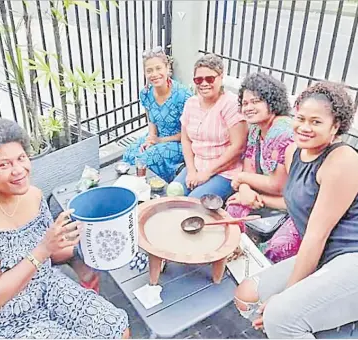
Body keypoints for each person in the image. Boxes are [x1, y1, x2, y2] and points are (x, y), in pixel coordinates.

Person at [0, 118, 130, 339]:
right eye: (4, 165)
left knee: (116, 327)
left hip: (44, 287)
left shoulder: (32, 195)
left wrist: (83, 240)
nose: (19, 170)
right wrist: (43, 250)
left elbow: (51, 254)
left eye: (21, 158)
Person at [234, 82, 358, 338]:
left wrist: (286, 295)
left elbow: (316, 235)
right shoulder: (294, 152)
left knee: (280, 315)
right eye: (300, 118)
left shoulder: (342, 161)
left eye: (316, 122)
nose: (304, 127)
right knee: (246, 295)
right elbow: (293, 203)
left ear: (336, 126)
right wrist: (249, 191)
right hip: (330, 256)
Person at [226, 72, 300, 263]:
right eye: (245, 103)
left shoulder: (283, 131)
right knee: (233, 207)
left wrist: (242, 181)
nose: (248, 107)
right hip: (264, 198)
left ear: (272, 101)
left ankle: (259, 275)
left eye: (256, 101)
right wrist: (244, 190)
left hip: (293, 206)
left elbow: (278, 186)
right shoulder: (256, 130)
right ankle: (240, 258)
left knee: (279, 246)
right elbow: (248, 169)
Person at [174, 54, 248, 199]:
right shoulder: (191, 103)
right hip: (197, 165)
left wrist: (206, 174)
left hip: (225, 171)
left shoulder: (230, 104)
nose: (204, 83)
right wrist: (191, 171)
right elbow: (186, 140)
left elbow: (238, 146)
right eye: (198, 80)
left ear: (221, 77)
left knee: (193, 203)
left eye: (210, 79)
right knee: (173, 193)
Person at [123, 46, 192, 183]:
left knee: (147, 158)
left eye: (158, 68)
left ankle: (153, 188)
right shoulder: (145, 93)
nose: (154, 74)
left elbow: (189, 134)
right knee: (130, 154)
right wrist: (151, 137)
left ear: (167, 68)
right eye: (149, 70)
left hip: (179, 143)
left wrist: (159, 141)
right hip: (158, 137)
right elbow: (151, 121)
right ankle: (133, 187)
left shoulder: (183, 95)